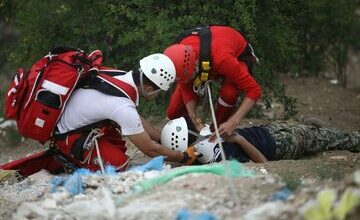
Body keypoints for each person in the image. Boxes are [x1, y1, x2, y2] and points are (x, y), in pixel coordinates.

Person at [0, 54, 196, 177]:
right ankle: (68, 158)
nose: (157, 94)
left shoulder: (119, 75)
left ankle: (75, 155)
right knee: (119, 166)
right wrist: (181, 157)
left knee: (118, 145)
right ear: (147, 87)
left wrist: (162, 137)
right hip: (67, 134)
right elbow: (150, 150)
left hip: (72, 123)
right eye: (158, 91)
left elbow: (138, 122)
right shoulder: (122, 106)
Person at [163, 25, 261, 137]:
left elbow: (254, 90)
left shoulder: (223, 59)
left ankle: (216, 131)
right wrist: (192, 116)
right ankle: (187, 134)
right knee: (173, 112)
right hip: (206, 58)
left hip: (236, 56)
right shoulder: (178, 56)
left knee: (229, 94)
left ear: (195, 67)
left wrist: (232, 122)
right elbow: (185, 86)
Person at [161, 117, 360, 164]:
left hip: (267, 131)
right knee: (334, 139)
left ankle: (314, 132)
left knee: (310, 131)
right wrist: (238, 139)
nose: (198, 124)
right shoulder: (220, 156)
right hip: (279, 144)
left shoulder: (203, 145)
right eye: (192, 128)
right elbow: (263, 163)